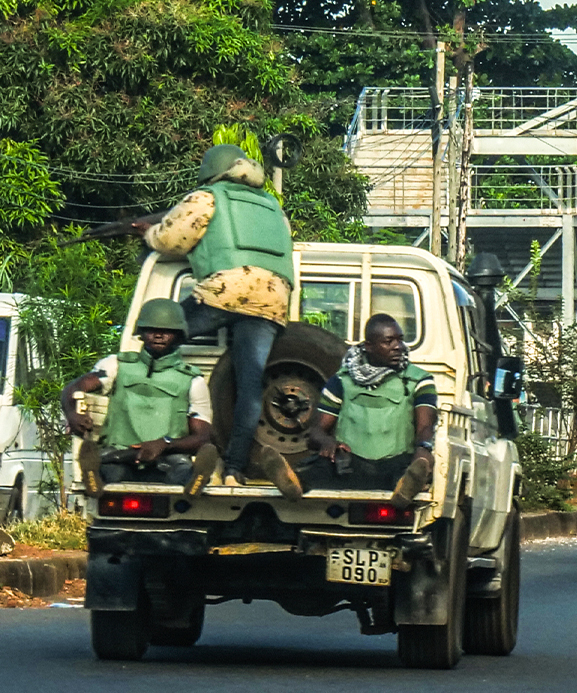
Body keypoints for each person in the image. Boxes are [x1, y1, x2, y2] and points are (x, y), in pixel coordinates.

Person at [142, 144, 296, 488]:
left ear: (212, 172)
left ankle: (166, 441)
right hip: (272, 299)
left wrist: (146, 232)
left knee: (158, 336)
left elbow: (172, 239)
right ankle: (234, 469)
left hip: (225, 289)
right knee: (249, 389)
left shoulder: (209, 196)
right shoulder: (273, 206)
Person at [61, 299, 220, 500]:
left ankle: (196, 479)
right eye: (151, 329)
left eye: (167, 331)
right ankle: (93, 476)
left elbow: (203, 438)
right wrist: (72, 413)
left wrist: (165, 443)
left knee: (180, 472)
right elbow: (74, 387)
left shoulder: (192, 381)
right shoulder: (116, 365)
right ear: (141, 332)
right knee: (112, 474)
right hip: (120, 455)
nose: (159, 335)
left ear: (179, 335)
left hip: (167, 457)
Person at [299, 314, 439, 507]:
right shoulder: (341, 381)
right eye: (388, 342)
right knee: (319, 466)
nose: (398, 346)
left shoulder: (419, 380)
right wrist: (327, 442)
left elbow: (426, 426)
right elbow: (316, 431)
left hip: (396, 464)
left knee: (409, 469)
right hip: (350, 465)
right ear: (369, 346)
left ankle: (407, 487)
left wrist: (424, 450)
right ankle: (294, 485)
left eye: (400, 339)